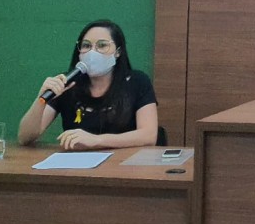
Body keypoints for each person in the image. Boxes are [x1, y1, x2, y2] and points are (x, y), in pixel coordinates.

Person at [18, 20, 159, 150]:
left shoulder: (137, 81)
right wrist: (41, 100)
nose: (92, 52)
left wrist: (96, 140)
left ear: (118, 52)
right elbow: (24, 138)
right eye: (86, 45)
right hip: (76, 165)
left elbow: (148, 136)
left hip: (125, 163)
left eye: (102, 45)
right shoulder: (67, 83)